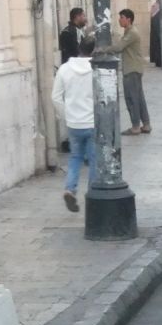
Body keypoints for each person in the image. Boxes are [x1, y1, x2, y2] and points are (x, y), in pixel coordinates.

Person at [52, 36, 97, 211]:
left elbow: (55, 97)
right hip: (92, 121)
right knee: (94, 159)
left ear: (79, 48)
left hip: (74, 123)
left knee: (75, 157)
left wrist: (66, 116)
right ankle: (92, 194)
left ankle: (70, 189)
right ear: (94, 50)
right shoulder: (96, 69)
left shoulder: (64, 69)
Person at [110, 8, 149, 135]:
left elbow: (118, 47)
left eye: (122, 17)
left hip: (131, 69)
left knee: (132, 98)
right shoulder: (128, 32)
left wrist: (103, 49)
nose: (119, 20)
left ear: (128, 19)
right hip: (134, 68)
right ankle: (146, 124)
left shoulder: (132, 33)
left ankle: (136, 126)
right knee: (139, 97)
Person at [149, 0, 162, 68]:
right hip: (157, 34)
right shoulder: (159, 12)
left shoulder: (156, 10)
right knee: (158, 48)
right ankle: (159, 62)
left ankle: (158, 61)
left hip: (155, 34)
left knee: (157, 48)